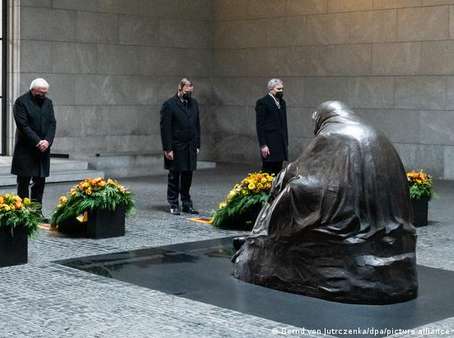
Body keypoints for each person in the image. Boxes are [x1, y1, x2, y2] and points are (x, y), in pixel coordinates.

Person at [233, 101, 417, 304]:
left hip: (349, 212)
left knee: (292, 192)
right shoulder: (375, 133)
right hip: (381, 217)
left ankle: (263, 242)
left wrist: (282, 179)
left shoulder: (331, 134)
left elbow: (300, 171)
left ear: (322, 119)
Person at [11, 78, 56, 220]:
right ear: (33, 90)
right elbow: (23, 126)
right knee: (23, 182)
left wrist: (47, 141)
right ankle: (23, 213)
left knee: (40, 182)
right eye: (41, 93)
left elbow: (52, 123)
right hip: (26, 148)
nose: (44, 95)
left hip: (43, 149)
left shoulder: (48, 103)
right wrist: (38, 141)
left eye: (45, 93)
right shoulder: (21, 102)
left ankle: (36, 213)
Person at [160, 78, 201, 215]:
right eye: (187, 89)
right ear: (180, 88)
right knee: (174, 176)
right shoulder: (169, 105)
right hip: (176, 147)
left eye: (191, 90)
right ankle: (173, 203)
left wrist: (197, 144)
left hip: (190, 146)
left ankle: (186, 203)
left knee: (187, 176)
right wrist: (168, 148)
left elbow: (197, 126)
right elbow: (165, 128)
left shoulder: (194, 104)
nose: (189, 92)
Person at [255, 78, 288, 175]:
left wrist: (285, 142)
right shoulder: (263, 102)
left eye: (282, 89)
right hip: (269, 142)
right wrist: (263, 145)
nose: (281, 91)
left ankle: (276, 190)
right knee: (268, 170)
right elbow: (260, 125)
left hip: (280, 142)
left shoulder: (282, 102)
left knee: (278, 170)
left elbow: (284, 123)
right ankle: (266, 190)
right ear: (271, 89)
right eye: (278, 89)